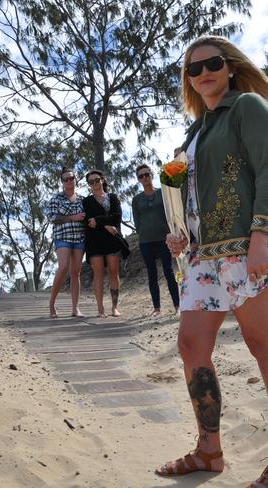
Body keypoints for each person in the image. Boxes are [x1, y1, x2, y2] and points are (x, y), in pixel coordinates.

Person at [154, 36, 268, 488]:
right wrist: (180, 231)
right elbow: (194, 194)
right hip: (203, 257)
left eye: (212, 63)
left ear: (230, 66)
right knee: (191, 346)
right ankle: (209, 450)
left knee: (264, 349)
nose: (203, 72)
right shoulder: (196, 132)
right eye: (192, 68)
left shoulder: (248, 107)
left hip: (245, 249)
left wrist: (262, 232)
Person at [131, 164, 180, 317]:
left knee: (169, 271)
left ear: (152, 175)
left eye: (147, 174)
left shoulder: (163, 193)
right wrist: (144, 232)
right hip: (146, 240)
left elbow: (171, 213)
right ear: (138, 180)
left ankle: (177, 306)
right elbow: (137, 222)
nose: (144, 178)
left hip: (164, 238)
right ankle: (157, 308)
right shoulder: (136, 199)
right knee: (152, 273)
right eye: (141, 176)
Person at [82, 170, 127, 318]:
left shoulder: (112, 198)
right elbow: (88, 222)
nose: (94, 183)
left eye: (96, 180)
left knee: (114, 271)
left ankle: (114, 307)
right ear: (89, 184)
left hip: (112, 240)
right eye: (91, 182)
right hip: (94, 241)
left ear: (102, 180)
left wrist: (100, 222)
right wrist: (106, 225)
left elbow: (118, 217)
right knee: (98, 273)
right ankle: (100, 308)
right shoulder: (86, 201)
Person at [48, 167, 86, 318]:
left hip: (79, 238)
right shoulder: (56, 199)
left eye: (72, 178)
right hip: (62, 237)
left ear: (75, 180)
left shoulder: (83, 200)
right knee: (63, 267)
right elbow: (52, 218)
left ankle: (75, 308)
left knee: (76, 272)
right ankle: (51, 303)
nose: (70, 181)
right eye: (66, 179)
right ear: (62, 182)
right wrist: (73, 217)